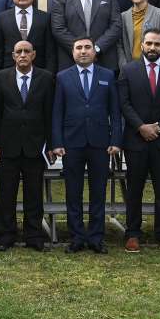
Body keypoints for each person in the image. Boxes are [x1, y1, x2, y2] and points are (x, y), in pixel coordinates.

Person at [117, 28, 160, 253]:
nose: (152, 47)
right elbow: (124, 103)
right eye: (149, 43)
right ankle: (132, 233)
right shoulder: (128, 70)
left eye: (157, 44)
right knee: (134, 189)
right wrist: (141, 126)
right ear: (142, 45)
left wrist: (159, 127)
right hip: (136, 140)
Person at [50, 38, 122, 253]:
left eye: (87, 47)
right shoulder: (62, 77)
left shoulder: (107, 75)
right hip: (72, 142)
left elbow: (115, 112)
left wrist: (116, 140)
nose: (83, 51)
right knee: (73, 192)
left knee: (98, 192)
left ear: (94, 52)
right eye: (79, 48)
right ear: (73, 52)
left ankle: (96, 237)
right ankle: (77, 237)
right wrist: (57, 142)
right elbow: (57, 112)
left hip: (100, 143)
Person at [0, 40, 54, 251]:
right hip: (8, 146)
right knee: (6, 194)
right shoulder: (1, 77)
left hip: (35, 146)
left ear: (33, 54)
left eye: (27, 51)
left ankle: (33, 236)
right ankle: (5, 236)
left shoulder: (46, 78)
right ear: (13, 55)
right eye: (19, 51)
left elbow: (49, 113)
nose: (23, 55)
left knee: (34, 194)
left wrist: (51, 144)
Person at [50, 0, 122, 72]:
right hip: (71, 62)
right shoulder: (61, 0)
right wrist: (80, 50)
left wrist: (96, 48)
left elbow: (116, 27)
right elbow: (58, 29)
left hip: (104, 60)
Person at [0, 0, 56, 73]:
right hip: (8, 73)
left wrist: (50, 74)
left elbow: (50, 50)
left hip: (39, 72)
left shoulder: (45, 18)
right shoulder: (2, 18)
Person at [117, 0, 160, 65]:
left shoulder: (158, 13)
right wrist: (124, 66)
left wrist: (153, 65)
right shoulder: (123, 16)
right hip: (129, 67)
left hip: (152, 66)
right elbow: (119, 45)